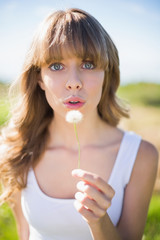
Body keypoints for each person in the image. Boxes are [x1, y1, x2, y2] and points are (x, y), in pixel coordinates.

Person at [0, 8, 158, 240]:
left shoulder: (139, 156)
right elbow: (25, 234)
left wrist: (99, 222)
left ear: (107, 72)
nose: (74, 83)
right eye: (56, 66)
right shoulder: (14, 150)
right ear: (38, 78)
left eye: (88, 64)